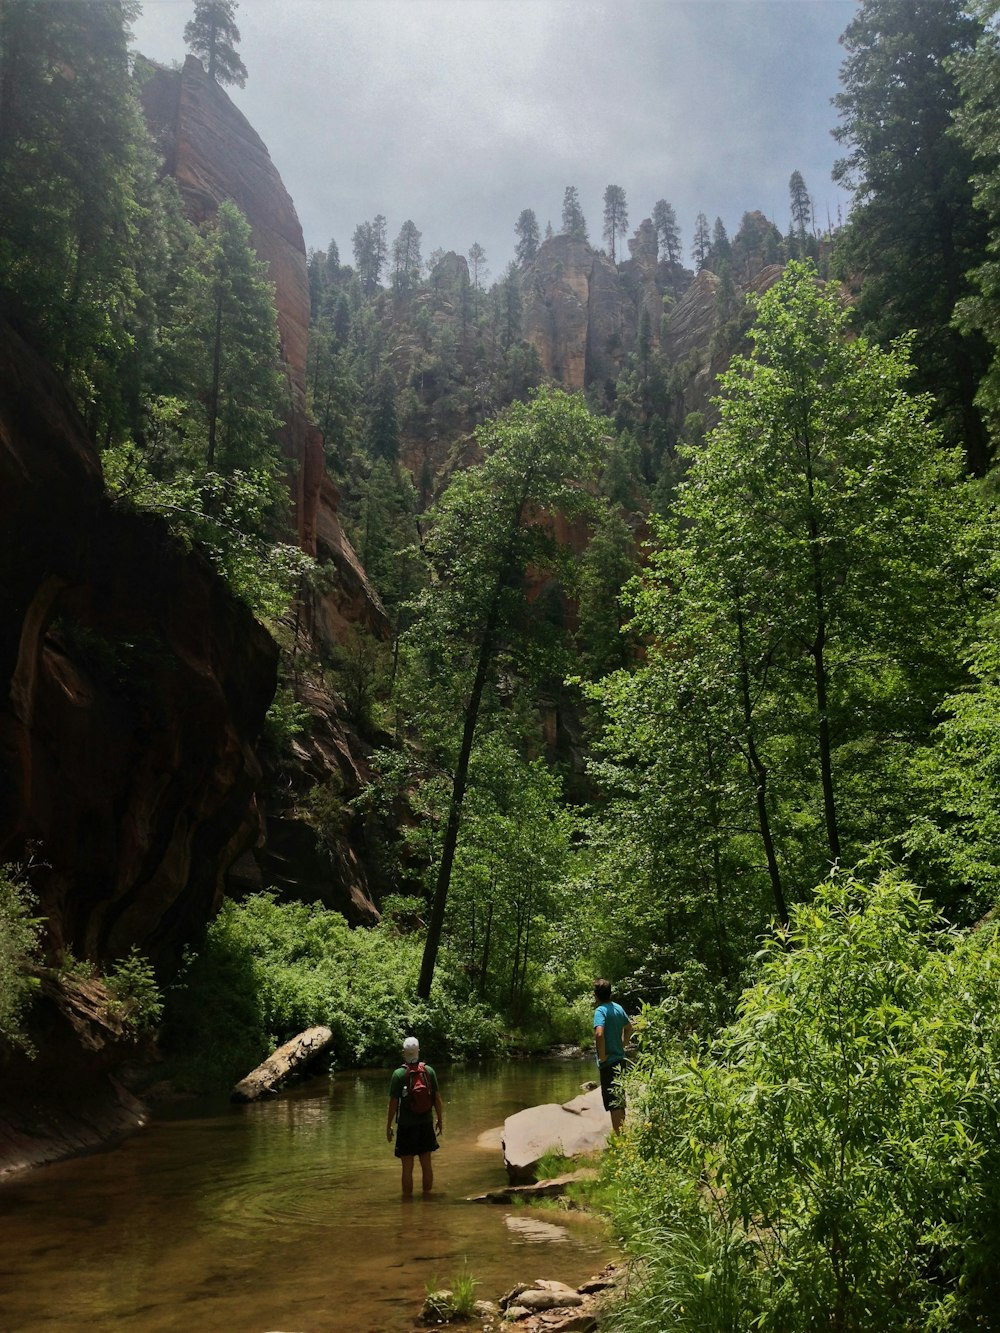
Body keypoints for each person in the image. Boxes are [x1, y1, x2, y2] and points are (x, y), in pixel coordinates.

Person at [386, 1036, 443, 1195]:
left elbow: (393, 1103)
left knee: (407, 1168)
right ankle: (427, 1198)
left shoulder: (398, 1074)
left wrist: (388, 1126)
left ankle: (407, 1203)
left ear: (404, 1053)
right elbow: (437, 1099)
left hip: (406, 1126)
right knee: (427, 1165)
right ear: (418, 1051)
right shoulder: (429, 1071)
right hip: (425, 1123)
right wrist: (440, 1120)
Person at [593, 979, 633, 1134]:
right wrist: (622, 1045)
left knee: (614, 1104)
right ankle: (623, 1137)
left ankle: (620, 1140)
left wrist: (602, 1056)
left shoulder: (600, 1011)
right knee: (619, 1100)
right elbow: (629, 1028)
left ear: (596, 995)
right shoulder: (618, 1008)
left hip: (608, 1063)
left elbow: (599, 1034)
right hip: (621, 1061)